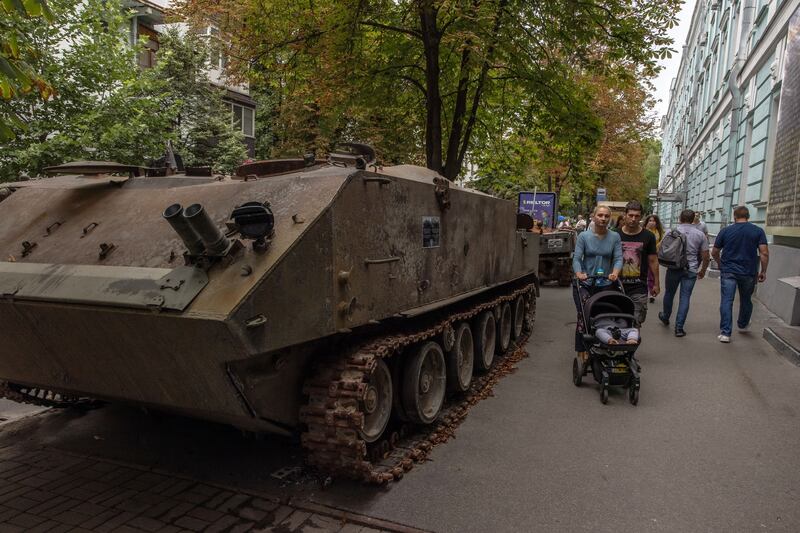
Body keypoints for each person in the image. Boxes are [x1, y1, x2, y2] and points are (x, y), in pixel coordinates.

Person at [711, 206, 769, 343]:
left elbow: (714, 252)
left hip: (728, 270)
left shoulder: (726, 231)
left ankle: (725, 333)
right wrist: (763, 271)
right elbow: (764, 253)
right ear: (748, 216)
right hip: (748, 272)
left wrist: (720, 263)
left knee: (727, 300)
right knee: (746, 299)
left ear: (735, 216)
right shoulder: (758, 231)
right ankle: (742, 324)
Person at [572, 205, 623, 359]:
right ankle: (582, 348)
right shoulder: (584, 236)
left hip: (606, 283)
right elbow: (577, 258)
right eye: (600, 215)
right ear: (593, 217)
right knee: (584, 315)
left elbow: (618, 258)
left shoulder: (614, 237)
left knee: (603, 315)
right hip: (586, 283)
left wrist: (615, 272)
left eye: (606, 216)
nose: (603, 218)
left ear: (610, 218)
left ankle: (603, 343)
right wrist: (579, 273)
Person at [657, 209, 710, 337]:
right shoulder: (700, 234)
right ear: (693, 220)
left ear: (680, 218)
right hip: (691, 269)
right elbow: (706, 256)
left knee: (669, 293)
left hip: (674, 267)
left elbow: (661, 248)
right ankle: (679, 328)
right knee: (685, 297)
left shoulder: (671, 231)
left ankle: (665, 316)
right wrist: (702, 270)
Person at [616, 201, 659, 324]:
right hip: (616, 285)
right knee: (616, 321)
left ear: (641, 217)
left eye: (637, 216)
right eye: (630, 215)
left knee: (635, 322)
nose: (633, 219)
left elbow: (653, 260)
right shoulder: (615, 234)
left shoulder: (648, 236)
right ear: (625, 215)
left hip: (638, 287)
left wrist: (656, 284)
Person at [644, 214, 665, 302]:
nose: (652, 223)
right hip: (644, 256)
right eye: (650, 221)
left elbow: (662, 243)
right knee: (644, 274)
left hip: (654, 256)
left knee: (652, 274)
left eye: (654, 221)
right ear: (647, 222)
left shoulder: (659, 232)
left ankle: (651, 293)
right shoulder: (643, 231)